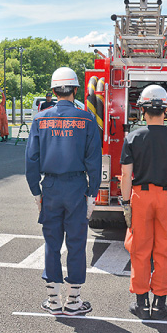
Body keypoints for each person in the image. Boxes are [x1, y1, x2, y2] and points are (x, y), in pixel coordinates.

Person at [25, 67, 101, 316]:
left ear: (54, 90)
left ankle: (53, 299)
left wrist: (37, 192)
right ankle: (74, 300)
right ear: (76, 90)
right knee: (77, 242)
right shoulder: (87, 119)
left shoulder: (39, 119)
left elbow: (31, 161)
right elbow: (94, 162)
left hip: (50, 187)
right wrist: (92, 194)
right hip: (77, 187)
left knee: (52, 242)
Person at [120, 84, 167, 320]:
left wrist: (127, 203)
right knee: (164, 250)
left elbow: (127, 176)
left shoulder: (132, 138)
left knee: (139, 250)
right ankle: (160, 304)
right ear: (166, 110)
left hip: (140, 196)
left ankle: (141, 303)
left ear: (142, 110)